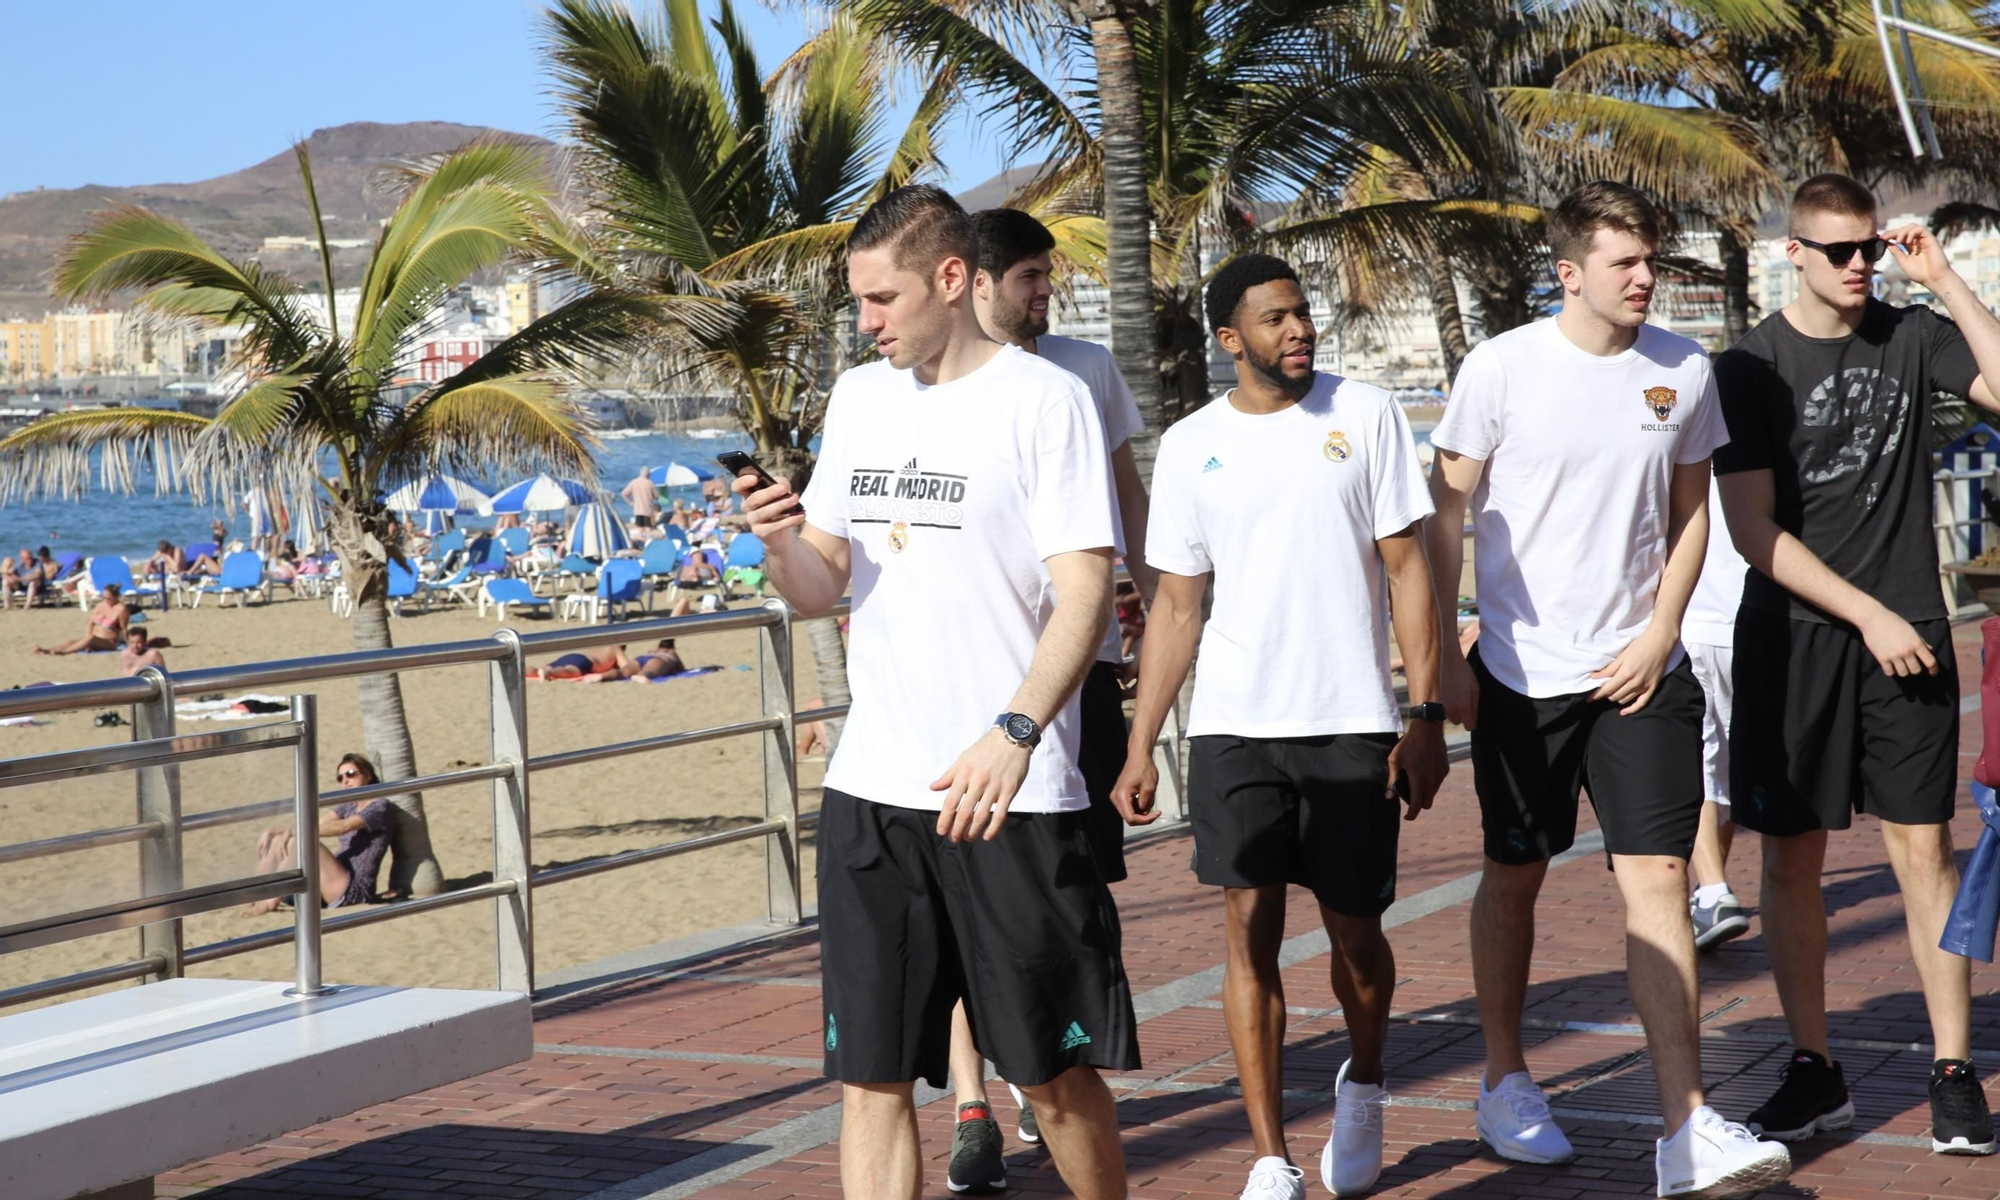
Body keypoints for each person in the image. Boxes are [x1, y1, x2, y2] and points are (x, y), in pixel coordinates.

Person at [731, 184, 1133, 1200]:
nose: (866, 321)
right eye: (859, 301)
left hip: (1008, 794)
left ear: (950, 280)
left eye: (882, 299)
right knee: (870, 1081)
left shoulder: (1045, 400)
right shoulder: (860, 399)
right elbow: (820, 586)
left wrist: (1014, 732)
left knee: (1051, 1076)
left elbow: (1087, 592)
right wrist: (778, 542)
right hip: (874, 791)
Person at [1424, 181, 1791, 1197]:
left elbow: (1691, 514)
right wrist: (1443, 654)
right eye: (1623, 261)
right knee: (1514, 874)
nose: (1643, 278)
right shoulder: (1500, 368)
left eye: (1649, 260)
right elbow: (1444, 514)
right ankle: (1504, 1081)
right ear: (1568, 272)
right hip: (1519, 673)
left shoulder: (1681, 368)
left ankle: (1685, 1130)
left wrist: (1661, 629)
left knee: (1659, 881)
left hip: (1643, 672)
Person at [1112, 254, 1448, 1199]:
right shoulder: (1190, 445)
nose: (1299, 330)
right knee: (1248, 932)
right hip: (1234, 728)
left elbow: (1409, 570)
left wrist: (1423, 716)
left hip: (1350, 721)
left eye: (1302, 312)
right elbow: (1177, 608)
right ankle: (1270, 1156)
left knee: (1358, 941)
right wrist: (1142, 744)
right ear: (1230, 339)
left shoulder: (1366, 413)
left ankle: (1365, 1083)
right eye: (1275, 319)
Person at [1714, 173, 1999, 1155]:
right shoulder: (1747, 365)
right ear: (1791, 252)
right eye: (1836, 250)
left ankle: (1952, 1071)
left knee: (1923, 850)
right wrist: (1865, 614)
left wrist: (1944, 280)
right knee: (1789, 856)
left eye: (1867, 248)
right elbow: (1752, 531)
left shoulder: (1910, 334)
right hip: (1794, 639)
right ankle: (1813, 1070)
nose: (1855, 265)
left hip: (1907, 633)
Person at [931, 206, 1161, 1170]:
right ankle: (971, 1105)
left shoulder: (1083, 371)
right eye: (1029, 276)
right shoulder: (922, 382)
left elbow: (1127, 497)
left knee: (1067, 897)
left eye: (1048, 275)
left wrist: (1161, 611)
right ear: (975, 282)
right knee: (949, 902)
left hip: (1079, 677)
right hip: (957, 689)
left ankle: (1042, 1069)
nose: (1046, 292)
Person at [1684, 476, 1750, 950]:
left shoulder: (1676, 436)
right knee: (1724, 770)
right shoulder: (1767, 436)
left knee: (1701, 767)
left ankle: (1712, 890)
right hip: (1750, 619)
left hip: (1688, 620)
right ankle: (1711, 894)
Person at [247, 753, 393, 913]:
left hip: (353, 889)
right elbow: (315, 822)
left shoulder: (379, 806)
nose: (345, 781)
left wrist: (295, 832)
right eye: (340, 778)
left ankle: (270, 903)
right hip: (331, 881)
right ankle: (249, 896)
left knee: (301, 839)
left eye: (351, 774)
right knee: (278, 840)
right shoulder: (349, 805)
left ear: (368, 775)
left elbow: (343, 826)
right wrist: (273, 831)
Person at [37, 583, 129, 655]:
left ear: (116, 597)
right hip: (93, 638)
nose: (106, 600)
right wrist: (87, 639)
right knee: (71, 642)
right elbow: (90, 622)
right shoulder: (101, 605)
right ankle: (48, 650)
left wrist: (129, 645)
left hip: (109, 642)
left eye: (109, 598)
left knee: (91, 638)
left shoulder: (121, 609)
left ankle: (64, 652)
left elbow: (124, 629)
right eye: (104, 597)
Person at [531, 646, 624, 682]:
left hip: (573, 656)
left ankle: (529, 670)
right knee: (569, 671)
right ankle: (550, 672)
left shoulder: (600, 645)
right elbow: (626, 667)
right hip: (585, 661)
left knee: (538, 670)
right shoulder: (616, 648)